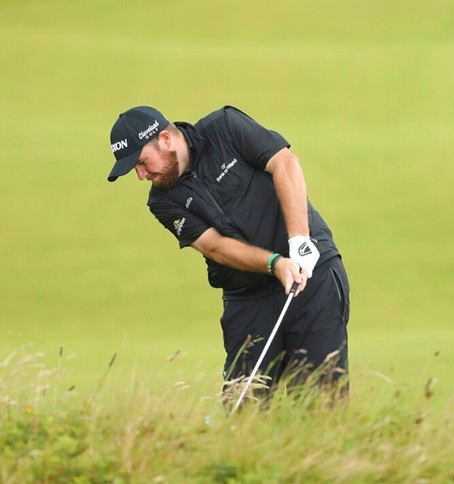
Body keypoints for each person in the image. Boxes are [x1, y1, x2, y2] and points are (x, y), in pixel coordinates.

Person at [106, 105, 349, 402]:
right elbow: (215, 246)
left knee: (320, 399)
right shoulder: (162, 202)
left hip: (312, 273)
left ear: (166, 139)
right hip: (248, 298)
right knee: (245, 406)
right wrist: (275, 263)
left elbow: (284, 163)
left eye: (142, 163)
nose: (141, 175)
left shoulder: (226, 127)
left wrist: (298, 240)